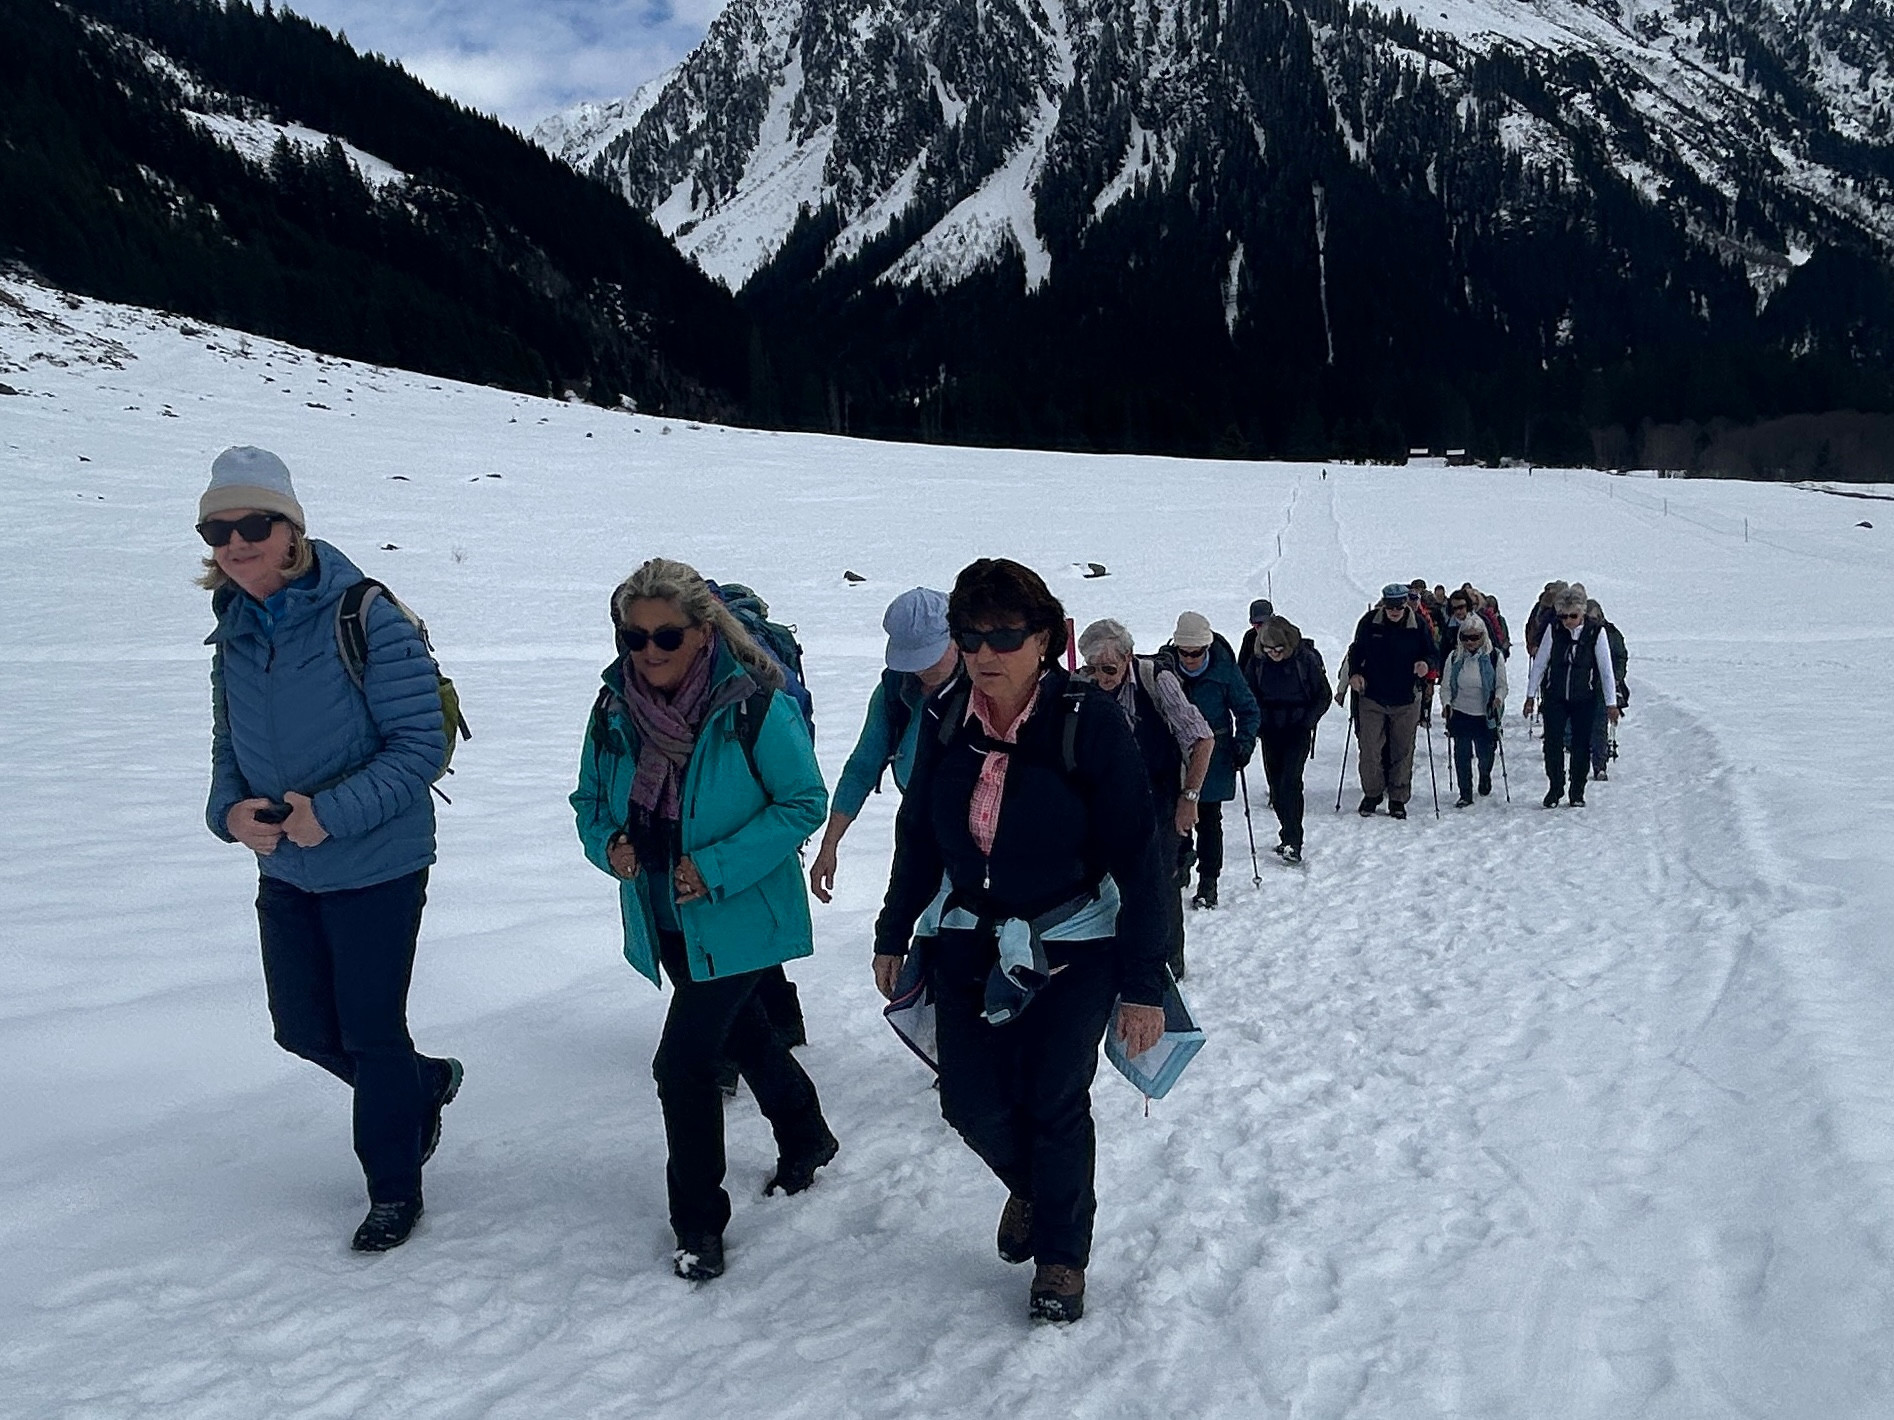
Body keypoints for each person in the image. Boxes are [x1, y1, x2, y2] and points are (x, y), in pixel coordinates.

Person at [873, 560, 1168, 1325]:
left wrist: (1144, 983)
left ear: (1045, 639)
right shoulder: (946, 716)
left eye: (1005, 636)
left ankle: (1062, 1259)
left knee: (1054, 1095)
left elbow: (1141, 856)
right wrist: (893, 928)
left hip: (1075, 940)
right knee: (967, 1101)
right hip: (970, 936)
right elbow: (918, 833)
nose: (985, 653)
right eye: (970, 637)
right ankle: (1038, 1189)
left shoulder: (1086, 722)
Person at [200, 446, 461, 1254]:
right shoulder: (234, 627)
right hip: (286, 866)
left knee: (372, 1031)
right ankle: (421, 1084)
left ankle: (393, 1190)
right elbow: (228, 746)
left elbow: (421, 745)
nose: (236, 543)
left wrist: (332, 815)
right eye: (217, 530)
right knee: (303, 1028)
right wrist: (227, 814)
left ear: (291, 530)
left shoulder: (364, 614)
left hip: (378, 863)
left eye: (254, 525)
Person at [572, 558, 837, 1283]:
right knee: (744, 1031)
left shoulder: (752, 704)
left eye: (666, 636)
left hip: (739, 914)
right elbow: (588, 800)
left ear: (702, 632)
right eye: (634, 637)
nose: (649, 651)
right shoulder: (614, 708)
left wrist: (714, 866)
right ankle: (806, 1134)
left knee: (683, 1065)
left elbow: (803, 801)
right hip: (664, 915)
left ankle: (698, 1225)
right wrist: (610, 845)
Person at [1076, 618, 1213, 979]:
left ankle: (1168, 966)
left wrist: (1189, 798)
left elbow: (1202, 739)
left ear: (1128, 657)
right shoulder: (1081, 687)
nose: (1100, 677)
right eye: (1092, 668)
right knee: (1108, 882)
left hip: (1159, 799)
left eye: (1109, 669)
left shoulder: (1156, 680)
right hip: (1106, 802)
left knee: (1158, 882)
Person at [809, 587, 961, 902]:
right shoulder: (896, 690)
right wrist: (829, 844)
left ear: (957, 638)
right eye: (913, 661)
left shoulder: (990, 688)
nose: (922, 670)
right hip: (920, 835)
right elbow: (862, 767)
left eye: (931, 656)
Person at [1167, 613, 1259, 909]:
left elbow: (1248, 710)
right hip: (1174, 753)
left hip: (1214, 754)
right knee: (1174, 814)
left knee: (1208, 819)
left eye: (1196, 653)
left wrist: (1244, 743)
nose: (1189, 658)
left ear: (1206, 648)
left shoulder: (1225, 671)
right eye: (1184, 652)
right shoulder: (1165, 668)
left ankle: (1209, 881)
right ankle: (1181, 862)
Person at [1242, 615, 1331, 862]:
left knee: (1290, 783)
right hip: (1270, 730)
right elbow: (1248, 695)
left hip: (1297, 730)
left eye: (1279, 649)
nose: (1274, 654)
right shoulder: (1257, 662)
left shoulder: (1305, 660)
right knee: (1276, 787)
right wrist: (1256, 722)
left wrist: (1307, 722)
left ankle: (1294, 840)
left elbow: (1323, 695)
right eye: (1269, 649)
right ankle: (1286, 834)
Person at [1522, 583, 1619, 808]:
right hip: (1555, 696)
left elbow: (1605, 669)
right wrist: (1530, 695)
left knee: (1581, 745)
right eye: (1563, 616)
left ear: (1582, 612)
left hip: (1584, 697)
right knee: (1552, 744)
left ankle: (1577, 791)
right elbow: (1541, 662)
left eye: (1572, 616)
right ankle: (1555, 787)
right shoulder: (1554, 629)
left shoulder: (1596, 632)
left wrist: (1611, 703)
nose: (1567, 621)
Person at [1345, 584, 1438, 818]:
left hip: (1406, 698)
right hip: (1372, 696)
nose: (1395, 611)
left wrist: (1426, 664)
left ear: (1406, 603)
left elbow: (1432, 653)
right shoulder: (1369, 622)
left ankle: (1398, 798)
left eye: (1399, 606)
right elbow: (1356, 651)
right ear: (1384, 604)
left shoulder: (1418, 625)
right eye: (1390, 606)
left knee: (1402, 750)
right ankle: (1373, 793)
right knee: (1369, 749)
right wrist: (1354, 674)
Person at [1439, 613, 1508, 807]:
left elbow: (1502, 685)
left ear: (1483, 636)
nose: (1470, 642)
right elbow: (1446, 686)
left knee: (1485, 754)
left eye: (1475, 637)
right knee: (1461, 754)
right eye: (1465, 637)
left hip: (1485, 714)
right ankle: (1465, 793)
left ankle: (1484, 774)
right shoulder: (1454, 657)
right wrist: (1446, 704)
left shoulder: (1494, 656)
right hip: (1460, 712)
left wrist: (1498, 699)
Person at [1585, 598, 1630, 780]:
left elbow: (1620, 657)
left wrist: (1615, 678)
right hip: (1582, 686)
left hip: (1603, 687)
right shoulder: (1579, 634)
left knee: (1599, 725)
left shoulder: (1612, 634)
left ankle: (1599, 765)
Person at [1234, 598, 1274, 672]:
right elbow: (1241, 667)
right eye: (1255, 622)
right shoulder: (1250, 637)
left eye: (1264, 621)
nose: (1260, 626)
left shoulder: (1283, 635)